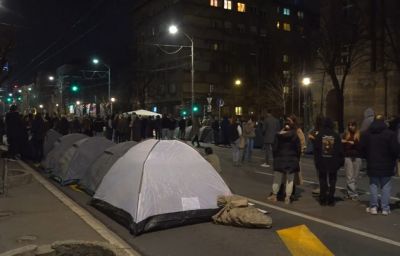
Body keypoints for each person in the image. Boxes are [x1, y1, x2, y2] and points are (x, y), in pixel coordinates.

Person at [360, 115, 400, 215]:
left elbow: (361, 148)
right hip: (387, 164)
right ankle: (385, 208)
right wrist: (393, 159)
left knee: (373, 186)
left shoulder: (367, 134)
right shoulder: (390, 134)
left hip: (372, 163)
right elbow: (395, 150)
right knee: (386, 186)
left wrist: (367, 157)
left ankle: (373, 206)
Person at [267, 119, 301, 204]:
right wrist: (297, 158)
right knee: (290, 180)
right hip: (291, 160)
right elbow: (298, 149)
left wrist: (275, 158)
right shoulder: (295, 136)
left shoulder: (278, 136)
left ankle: (274, 195)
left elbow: (274, 149)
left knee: (277, 179)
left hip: (279, 159)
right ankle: (287, 198)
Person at [314, 118, 344, 206]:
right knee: (333, 180)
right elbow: (340, 150)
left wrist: (316, 161)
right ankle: (331, 198)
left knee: (322, 180)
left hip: (322, 160)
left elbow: (316, 149)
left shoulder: (320, 135)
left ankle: (323, 198)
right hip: (333, 161)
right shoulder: (336, 135)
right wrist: (340, 161)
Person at [342, 121, 362, 200]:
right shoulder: (345, 134)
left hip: (357, 157)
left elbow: (362, 146)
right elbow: (342, 145)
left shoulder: (359, 135)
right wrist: (345, 142)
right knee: (349, 176)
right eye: (349, 125)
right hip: (348, 156)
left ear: (356, 126)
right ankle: (353, 194)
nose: (350, 127)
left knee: (355, 177)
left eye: (352, 125)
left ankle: (349, 193)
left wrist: (354, 143)